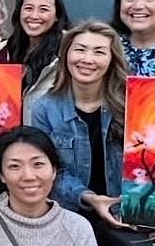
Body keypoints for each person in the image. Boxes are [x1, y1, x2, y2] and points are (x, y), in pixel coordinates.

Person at [31, 21, 127, 227]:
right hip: (69, 216)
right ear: (66, 54)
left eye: (99, 52)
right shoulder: (44, 109)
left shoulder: (131, 105)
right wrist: (89, 197)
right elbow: (47, 170)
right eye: (80, 50)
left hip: (124, 216)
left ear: (112, 59)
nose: (87, 59)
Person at [0, 0, 71, 122]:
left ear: (57, 16)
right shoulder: (5, 50)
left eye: (43, 9)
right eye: (28, 8)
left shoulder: (69, 50)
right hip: (14, 132)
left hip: (52, 132)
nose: (34, 16)